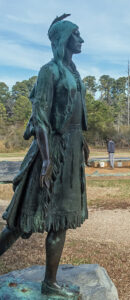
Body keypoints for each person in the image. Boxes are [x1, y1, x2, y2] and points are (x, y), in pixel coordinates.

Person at [0, 14, 89, 298]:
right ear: (64, 39)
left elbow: (74, 111)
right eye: (76, 34)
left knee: (61, 220)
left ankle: (50, 283)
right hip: (50, 152)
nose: (82, 39)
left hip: (72, 151)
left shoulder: (74, 71)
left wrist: (82, 140)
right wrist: (47, 159)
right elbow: (40, 117)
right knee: (19, 223)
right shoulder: (48, 72)